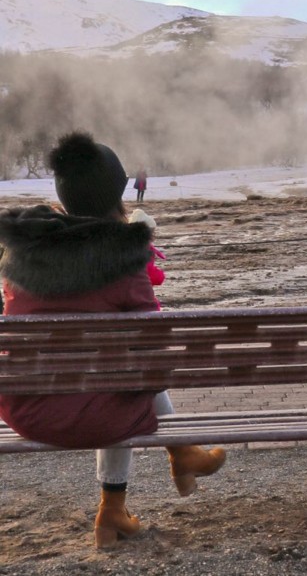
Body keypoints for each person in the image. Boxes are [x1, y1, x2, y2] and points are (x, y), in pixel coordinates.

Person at [0, 132, 226, 549]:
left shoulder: (19, 251)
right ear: (115, 196)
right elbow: (153, 352)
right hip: (98, 416)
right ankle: (149, 478)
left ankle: (170, 465)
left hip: (25, 409)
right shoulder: (122, 259)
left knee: (115, 376)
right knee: (124, 381)